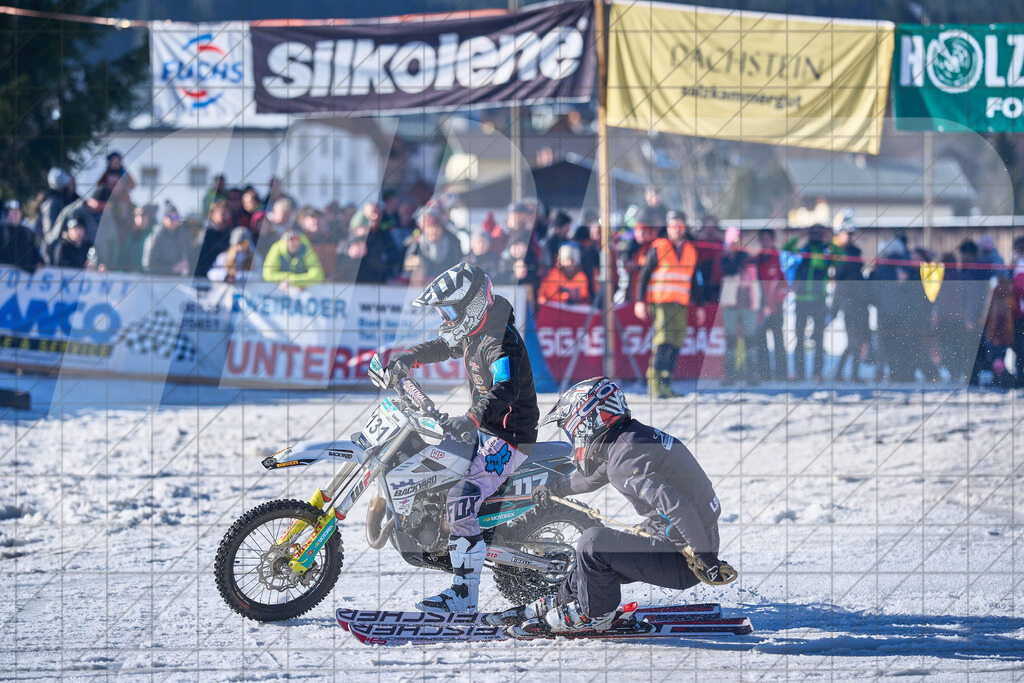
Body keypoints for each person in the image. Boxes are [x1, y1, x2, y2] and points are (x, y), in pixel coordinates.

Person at [384, 262, 539, 614]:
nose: (445, 318)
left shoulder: (500, 342)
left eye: (450, 311)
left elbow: (505, 388)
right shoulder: (476, 328)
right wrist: (410, 357)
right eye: (443, 312)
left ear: (473, 305)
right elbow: (445, 346)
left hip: (508, 436)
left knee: (461, 497)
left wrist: (470, 418)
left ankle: (464, 596)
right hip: (484, 426)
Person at [524, 378, 734, 632]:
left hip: (685, 559)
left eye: (573, 431)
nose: (574, 439)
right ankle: (564, 600)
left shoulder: (624, 460)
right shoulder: (627, 441)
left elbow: (677, 506)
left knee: (594, 543)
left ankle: (595, 614)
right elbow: (591, 477)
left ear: (589, 422)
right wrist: (554, 489)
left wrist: (706, 558)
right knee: (592, 557)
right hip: (684, 537)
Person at [635, 210, 698, 398]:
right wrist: (640, 301)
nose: (677, 229)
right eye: (673, 226)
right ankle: (655, 386)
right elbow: (644, 275)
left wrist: (700, 304)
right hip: (661, 302)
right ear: (668, 228)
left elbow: (694, 280)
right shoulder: (659, 247)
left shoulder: (690, 250)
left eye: (680, 225)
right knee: (663, 341)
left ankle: (666, 385)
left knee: (676, 342)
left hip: (681, 303)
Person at [784, 224, 831, 381]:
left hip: (819, 300)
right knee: (799, 337)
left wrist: (829, 238)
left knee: (819, 337)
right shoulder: (803, 251)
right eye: (813, 233)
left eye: (819, 233)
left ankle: (818, 372)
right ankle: (799, 371)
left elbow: (841, 257)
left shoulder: (827, 251)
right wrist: (800, 235)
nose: (816, 236)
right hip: (802, 300)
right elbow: (786, 249)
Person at [718, 228, 761, 385]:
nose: (737, 245)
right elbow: (731, 269)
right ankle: (730, 374)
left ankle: (752, 374)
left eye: (739, 242)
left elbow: (756, 281)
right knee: (731, 341)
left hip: (748, 304)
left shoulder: (749, 258)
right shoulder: (726, 258)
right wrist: (739, 255)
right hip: (731, 305)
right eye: (733, 242)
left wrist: (760, 303)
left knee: (750, 341)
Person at [831, 221, 868, 382]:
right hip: (848, 304)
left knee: (859, 340)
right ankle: (840, 373)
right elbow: (839, 284)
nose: (849, 237)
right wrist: (834, 307)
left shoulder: (855, 253)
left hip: (861, 303)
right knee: (853, 340)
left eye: (851, 234)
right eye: (847, 233)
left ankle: (853, 373)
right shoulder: (838, 253)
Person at [754, 229, 788, 381]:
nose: (765, 241)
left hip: (776, 308)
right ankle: (764, 373)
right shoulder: (757, 259)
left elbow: (784, 284)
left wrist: (777, 302)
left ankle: (781, 373)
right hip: (761, 308)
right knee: (761, 341)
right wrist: (761, 305)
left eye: (768, 238)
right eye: (763, 239)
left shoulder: (780, 258)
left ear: (773, 240)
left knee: (778, 340)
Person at [405, 206, 465, 286]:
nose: (433, 231)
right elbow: (408, 266)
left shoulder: (453, 242)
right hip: (424, 283)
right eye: (430, 228)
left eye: (436, 227)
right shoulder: (417, 243)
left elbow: (459, 262)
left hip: (448, 283)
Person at [37, 167, 78, 257]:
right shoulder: (54, 203)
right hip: (51, 249)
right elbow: (50, 234)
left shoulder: (59, 200)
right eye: (69, 184)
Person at [142, 206, 193, 276]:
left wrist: (187, 266)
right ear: (163, 218)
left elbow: (192, 260)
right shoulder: (155, 238)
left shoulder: (184, 237)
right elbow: (148, 266)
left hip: (182, 280)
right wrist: (172, 269)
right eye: (171, 217)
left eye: (176, 217)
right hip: (160, 281)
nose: (174, 220)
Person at [195, 200, 234, 279]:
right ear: (212, 214)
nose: (226, 217)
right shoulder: (206, 232)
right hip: (204, 277)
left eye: (228, 213)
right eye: (223, 213)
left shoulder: (230, 233)